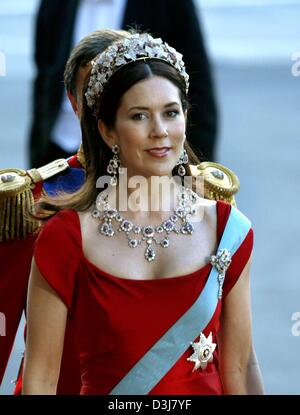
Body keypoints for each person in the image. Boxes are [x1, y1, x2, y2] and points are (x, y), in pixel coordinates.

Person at [22, 32, 263, 395]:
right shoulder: (66, 238)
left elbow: (241, 367)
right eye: (139, 116)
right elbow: (40, 380)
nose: (160, 132)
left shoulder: (229, 229)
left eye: (170, 113)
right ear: (107, 131)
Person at [28, 0, 218, 167]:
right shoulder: (54, 4)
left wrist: (191, 170)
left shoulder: (168, 4)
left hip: (141, 155)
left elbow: (197, 86)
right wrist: (38, 151)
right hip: (59, 148)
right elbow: (44, 80)